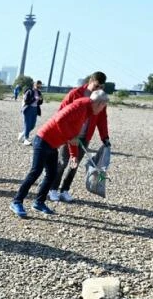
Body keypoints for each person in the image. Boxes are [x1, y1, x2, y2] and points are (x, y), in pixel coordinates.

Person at [9, 90, 109, 218]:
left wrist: (73, 155)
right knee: (35, 172)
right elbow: (59, 120)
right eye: (103, 107)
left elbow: (74, 135)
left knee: (51, 175)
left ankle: (39, 202)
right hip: (43, 140)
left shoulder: (87, 112)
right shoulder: (81, 106)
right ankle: (16, 201)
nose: (102, 111)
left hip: (52, 145)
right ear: (99, 103)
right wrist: (69, 137)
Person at [48, 71, 111, 202]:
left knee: (74, 164)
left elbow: (102, 119)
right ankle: (52, 188)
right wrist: (64, 134)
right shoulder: (74, 94)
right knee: (62, 162)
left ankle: (65, 190)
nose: (98, 89)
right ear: (90, 81)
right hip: (70, 135)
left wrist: (104, 137)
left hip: (85, 136)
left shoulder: (101, 97)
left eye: (101, 87)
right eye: (96, 86)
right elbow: (61, 114)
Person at [18, 79, 44, 145]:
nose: (38, 87)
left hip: (35, 110)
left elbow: (40, 103)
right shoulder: (29, 91)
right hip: (28, 109)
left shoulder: (39, 92)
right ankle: (25, 139)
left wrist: (41, 99)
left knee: (32, 125)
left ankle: (22, 134)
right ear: (34, 85)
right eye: (37, 86)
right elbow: (26, 101)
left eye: (40, 86)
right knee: (27, 124)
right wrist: (35, 99)